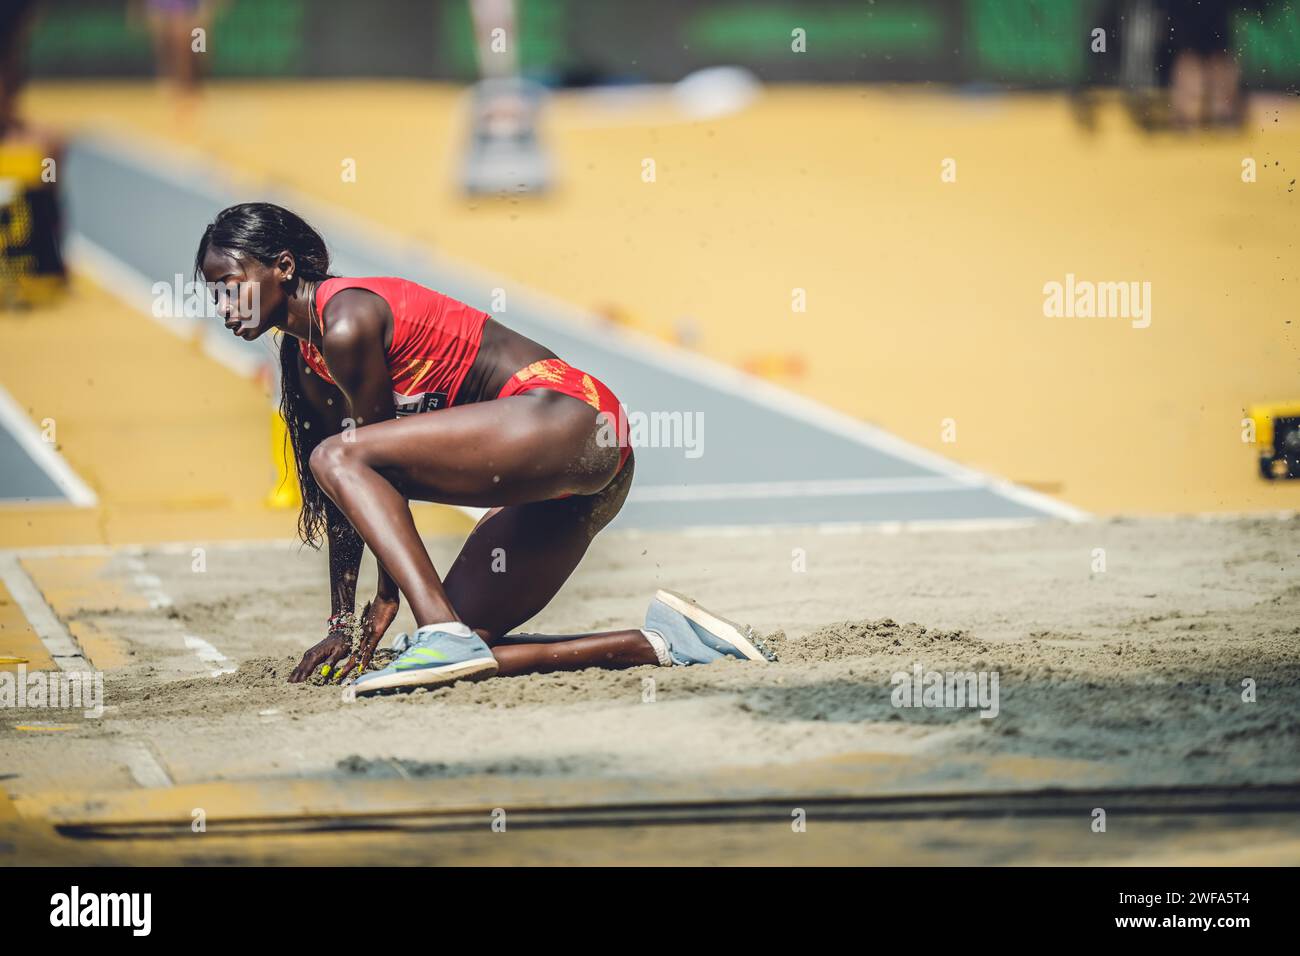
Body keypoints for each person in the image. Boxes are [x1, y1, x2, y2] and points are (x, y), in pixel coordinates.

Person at [194, 203, 774, 694]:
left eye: (231, 287)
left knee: (343, 467)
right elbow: (351, 499)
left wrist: (388, 598)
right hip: (577, 479)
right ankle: (666, 642)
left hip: (573, 418)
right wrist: (344, 625)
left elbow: (365, 463)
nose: (224, 308)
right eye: (213, 295)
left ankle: (439, 632)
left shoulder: (345, 321)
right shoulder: (306, 359)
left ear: (284, 267)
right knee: (444, 658)